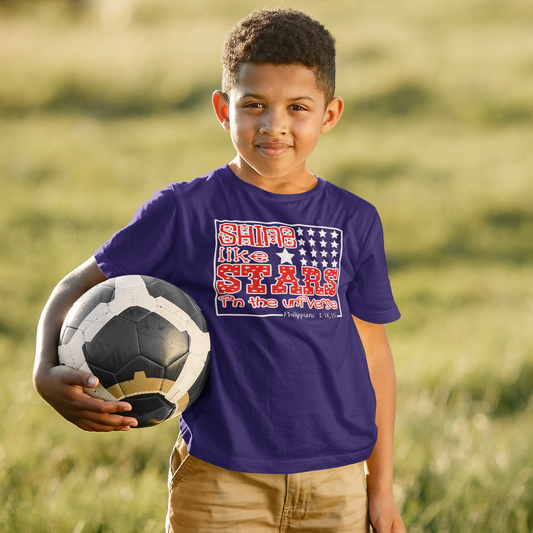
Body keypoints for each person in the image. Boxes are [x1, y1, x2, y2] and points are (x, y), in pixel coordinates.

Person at [33, 7, 406, 533]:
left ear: (330, 113)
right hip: (220, 479)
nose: (275, 124)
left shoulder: (355, 219)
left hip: (336, 480)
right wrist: (43, 371)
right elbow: (76, 285)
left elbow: (374, 356)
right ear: (223, 109)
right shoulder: (185, 210)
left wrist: (380, 487)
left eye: (297, 107)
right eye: (254, 104)